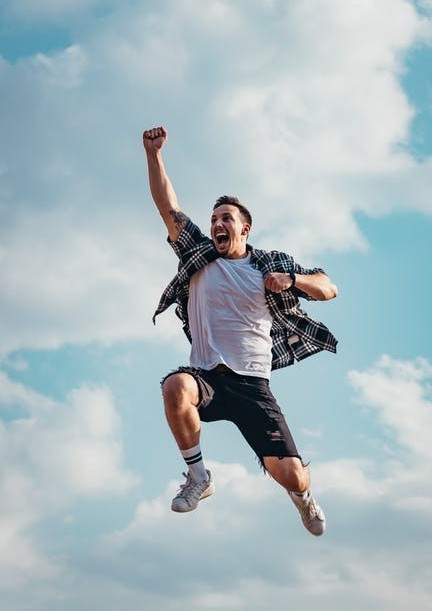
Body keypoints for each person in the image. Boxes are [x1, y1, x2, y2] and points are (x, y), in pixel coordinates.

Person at [143, 125, 338, 536]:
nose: (217, 223)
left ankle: (302, 498)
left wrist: (292, 280)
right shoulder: (198, 253)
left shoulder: (268, 263)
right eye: (214, 218)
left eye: (225, 218)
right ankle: (199, 477)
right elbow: (168, 207)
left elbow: (328, 287)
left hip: (252, 385)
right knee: (175, 386)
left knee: (293, 475)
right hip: (207, 376)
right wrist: (154, 154)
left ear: (244, 229)